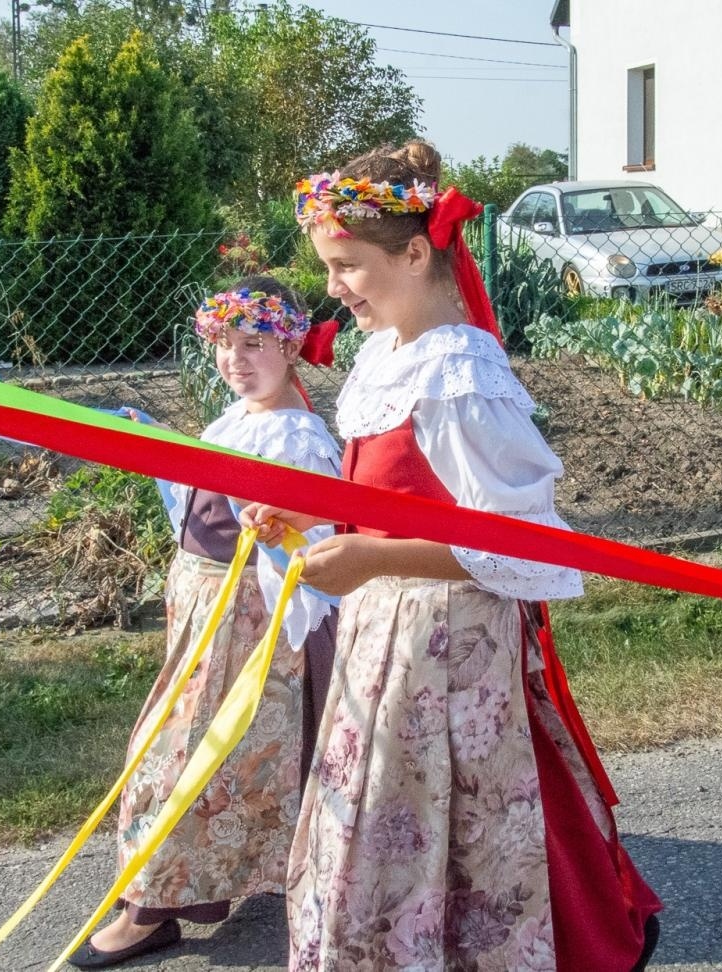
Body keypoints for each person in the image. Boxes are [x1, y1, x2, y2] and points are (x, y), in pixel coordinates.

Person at [241, 140, 663, 971]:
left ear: (413, 253)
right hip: (385, 639)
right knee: (382, 817)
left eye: (347, 266)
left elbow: (522, 545)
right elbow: (392, 495)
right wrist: (314, 512)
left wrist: (371, 562)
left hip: (446, 645)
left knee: (457, 824)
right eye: (328, 267)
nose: (333, 288)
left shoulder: (460, 373)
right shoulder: (388, 356)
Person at [69, 276, 344, 969]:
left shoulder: (296, 438)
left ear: (291, 348)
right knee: (197, 756)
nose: (234, 359)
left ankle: (151, 908)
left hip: (246, 631)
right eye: (224, 343)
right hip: (203, 618)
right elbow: (201, 511)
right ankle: (173, 887)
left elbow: (315, 547)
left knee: (179, 758)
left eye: (253, 344)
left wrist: (275, 541)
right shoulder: (238, 419)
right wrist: (159, 450)